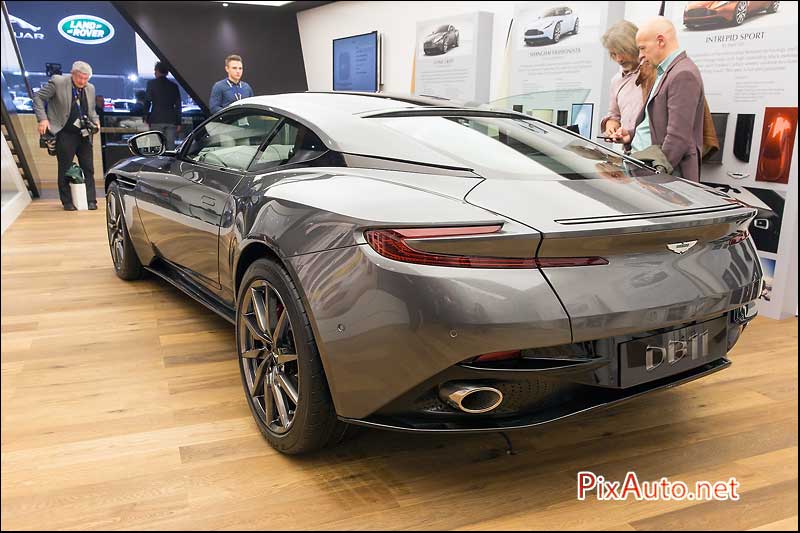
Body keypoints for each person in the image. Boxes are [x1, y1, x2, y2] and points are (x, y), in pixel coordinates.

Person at [611, 17, 705, 181]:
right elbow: (656, 124)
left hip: (660, 175)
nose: (640, 56)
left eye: (642, 48)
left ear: (660, 41)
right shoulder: (666, 71)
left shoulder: (683, 74)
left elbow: (678, 137)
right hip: (645, 168)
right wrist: (631, 135)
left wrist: (657, 174)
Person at [33, 60, 100, 211]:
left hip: (84, 134)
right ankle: (67, 202)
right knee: (65, 167)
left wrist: (96, 122)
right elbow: (38, 97)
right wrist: (43, 119)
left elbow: (92, 111)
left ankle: (91, 201)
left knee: (88, 167)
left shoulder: (90, 88)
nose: (83, 81)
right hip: (64, 133)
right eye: (80, 77)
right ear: (72, 74)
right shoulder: (58, 82)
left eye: (86, 78)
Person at [600, 21, 644, 139]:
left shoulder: (653, 74)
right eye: (613, 54)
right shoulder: (616, 80)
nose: (619, 59)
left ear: (635, 47)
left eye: (622, 52)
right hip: (629, 153)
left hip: (653, 151)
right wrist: (611, 127)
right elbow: (614, 115)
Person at [144, 61, 181, 149]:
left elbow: (147, 101)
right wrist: (179, 122)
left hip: (156, 119)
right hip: (171, 120)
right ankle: (170, 162)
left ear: (157, 71)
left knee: (156, 147)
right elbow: (178, 106)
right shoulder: (174, 86)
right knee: (171, 147)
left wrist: (145, 116)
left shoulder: (151, 84)